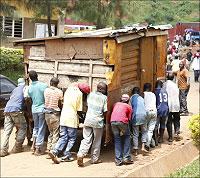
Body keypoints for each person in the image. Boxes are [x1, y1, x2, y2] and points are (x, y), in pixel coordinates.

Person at [49, 83, 90, 164]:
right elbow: (79, 110)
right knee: (72, 138)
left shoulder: (68, 89)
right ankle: (66, 154)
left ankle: (54, 151)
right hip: (71, 119)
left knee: (63, 137)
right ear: (83, 91)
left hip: (63, 117)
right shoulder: (79, 94)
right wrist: (83, 118)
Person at [77, 82, 107, 167]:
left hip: (88, 120)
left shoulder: (90, 95)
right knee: (96, 141)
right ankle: (94, 159)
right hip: (97, 121)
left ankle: (81, 154)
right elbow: (105, 111)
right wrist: (105, 121)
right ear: (102, 89)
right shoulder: (104, 98)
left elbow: (87, 106)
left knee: (86, 139)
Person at [0, 78, 27, 157]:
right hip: (16, 110)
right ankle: (17, 147)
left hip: (7, 109)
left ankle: (3, 150)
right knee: (23, 127)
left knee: (6, 131)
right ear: (24, 83)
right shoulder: (25, 88)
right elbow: (26, 99)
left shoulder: (14, 90)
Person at [28, 70, 48, 155]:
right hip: (41, 109)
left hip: (34, 109)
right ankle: (38, 148)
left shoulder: (29, 88)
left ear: (30, 78)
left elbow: (29, 98)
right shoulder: (44, 85)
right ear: (37, 76)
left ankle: (33, 146)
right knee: (41, 128)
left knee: (35, 127)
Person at [110, 94, 133, 166]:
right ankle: (126, 158)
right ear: (128, 100)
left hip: (113, 122)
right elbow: (129, 119)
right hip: (122, 122)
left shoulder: (115, 104)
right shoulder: (129, 107)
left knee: (117, 139)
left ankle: (118, 160)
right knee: (127, 137)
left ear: (120, 99)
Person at [44, 77, 63, 156]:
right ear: (57, 84)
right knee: (56, 133)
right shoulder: (59, 92)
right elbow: (61, 102)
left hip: (47, 114)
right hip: (55, 114)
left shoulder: (46, 90)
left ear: (50, 83)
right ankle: (53, 151)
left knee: (51, 132)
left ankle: (48, 148)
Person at [163, 73, 181, 142]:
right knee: (176, 119)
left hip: (169, 105)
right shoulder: (175, 85)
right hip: (176, 105)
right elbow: (178, 94)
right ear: (173, 78)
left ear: (166, 77)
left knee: (169, 121)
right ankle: (176, 132)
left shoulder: (165, 84)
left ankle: (170, 137)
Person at [130, 87, 147, 156]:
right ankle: (143, 147)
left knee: (135, 134)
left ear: (132, 92)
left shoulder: (131, 98)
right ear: (139, 92)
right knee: (144, 131)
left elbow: (130, 108)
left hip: (136, 116)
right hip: (143, 115)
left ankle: (136, 150)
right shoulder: (141, 98)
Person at [143, 83, 157, 151]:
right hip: (154, 111)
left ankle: (147, 144)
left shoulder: (143, 94)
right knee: (150, 130)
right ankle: (150, 143)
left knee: (145, 129)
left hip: (146, 112)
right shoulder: (153, 94)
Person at [154, 80, 169, 145]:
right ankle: (161, 138)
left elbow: (155, 102)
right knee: (163, 124)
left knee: (156, 125)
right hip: (165, 109)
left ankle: (156, 139)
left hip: (159, 109)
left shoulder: (156, 92)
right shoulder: (165, 91)